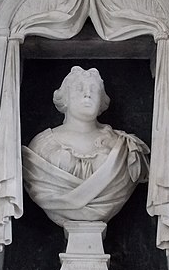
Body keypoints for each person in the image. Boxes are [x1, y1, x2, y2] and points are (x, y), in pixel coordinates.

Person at [22, 66, 149, 227]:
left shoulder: (123, 146)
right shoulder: (41, 146)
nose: (87, 94)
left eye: (94, 90)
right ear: (65, 98)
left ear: (102, 100)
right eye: (79, 88)